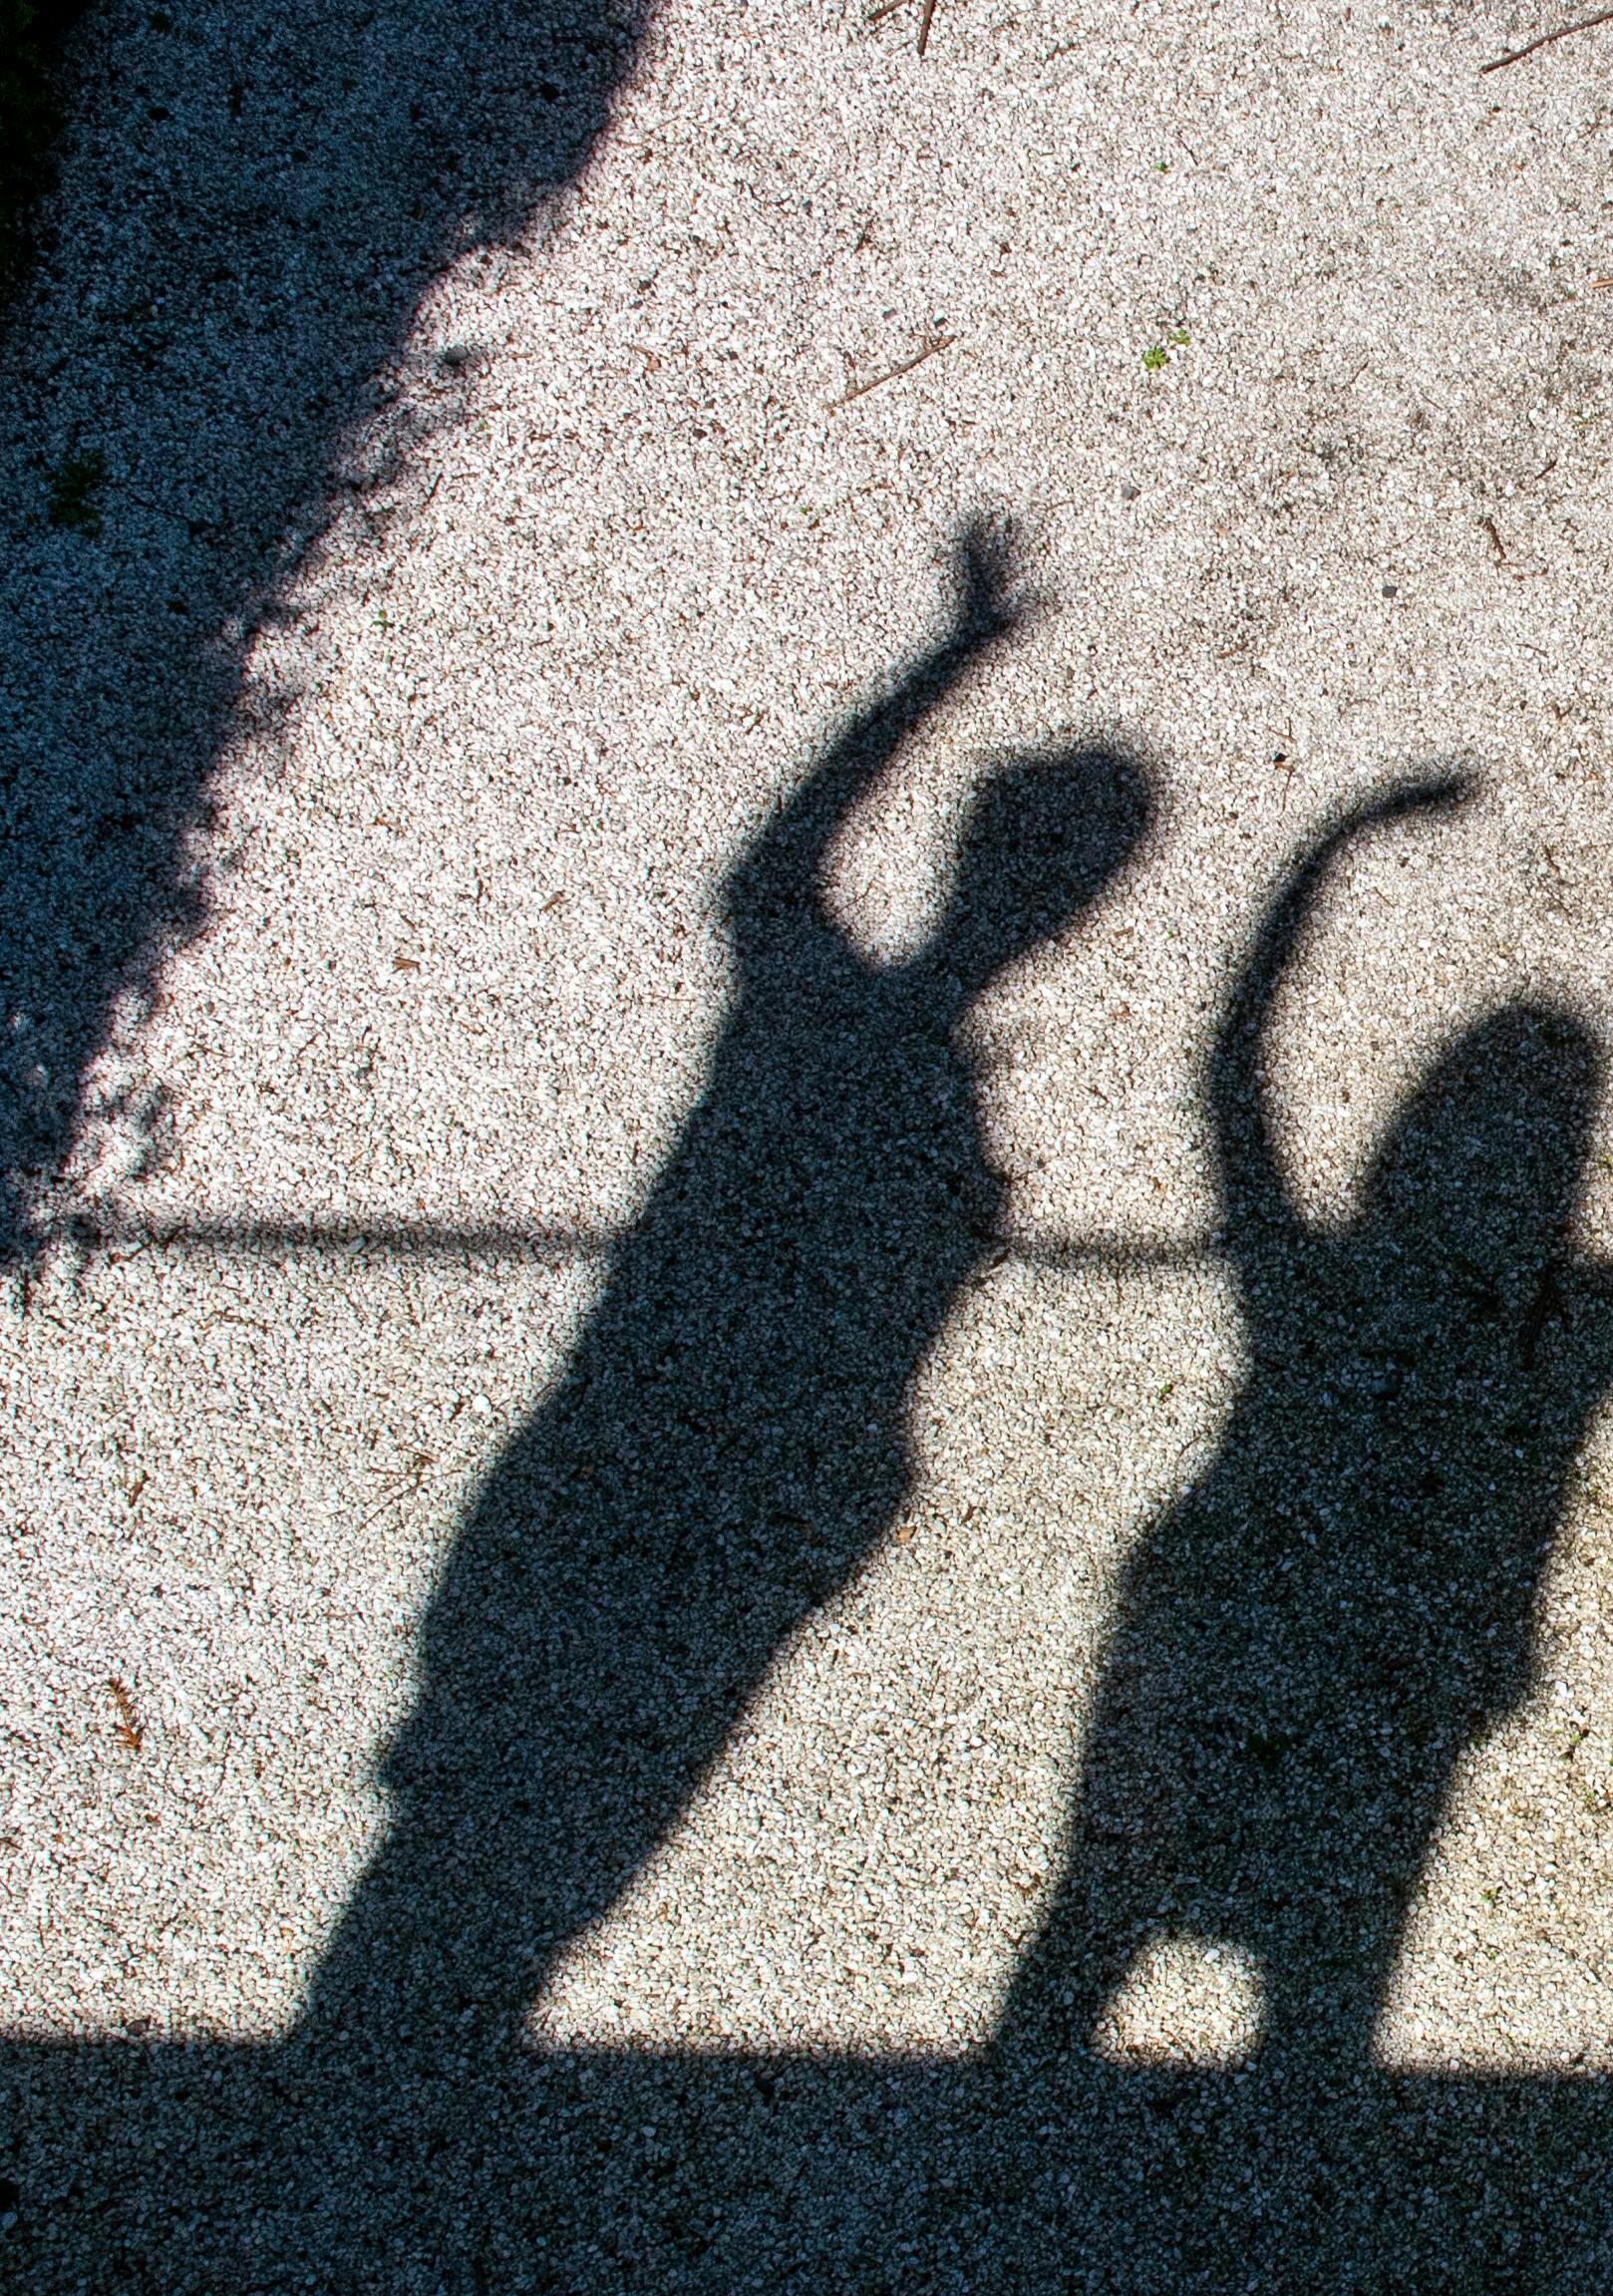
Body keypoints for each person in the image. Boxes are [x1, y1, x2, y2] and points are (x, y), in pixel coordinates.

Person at [302, 520, 1147, 2048]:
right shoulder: (825, 1005)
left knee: (520, 1822)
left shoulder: (836, 1008)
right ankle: (383, 2055)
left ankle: (385, 2054)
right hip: (675, 1473)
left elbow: (775, 864)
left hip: (705, 1475)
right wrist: (946, 663)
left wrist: (954, 660)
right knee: (530, 1820)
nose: (1055, 905)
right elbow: (775, 861)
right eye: (1064, 876)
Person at [996, 777, 1613, 2074]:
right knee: (1319, 2003)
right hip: (1415, 1675)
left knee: (1091, 1941)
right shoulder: (1571, 1339)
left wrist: (1328, 854)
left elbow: (1230, 1073)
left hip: (1225, 1621)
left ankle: (992, 2171)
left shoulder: (1312, 1285)